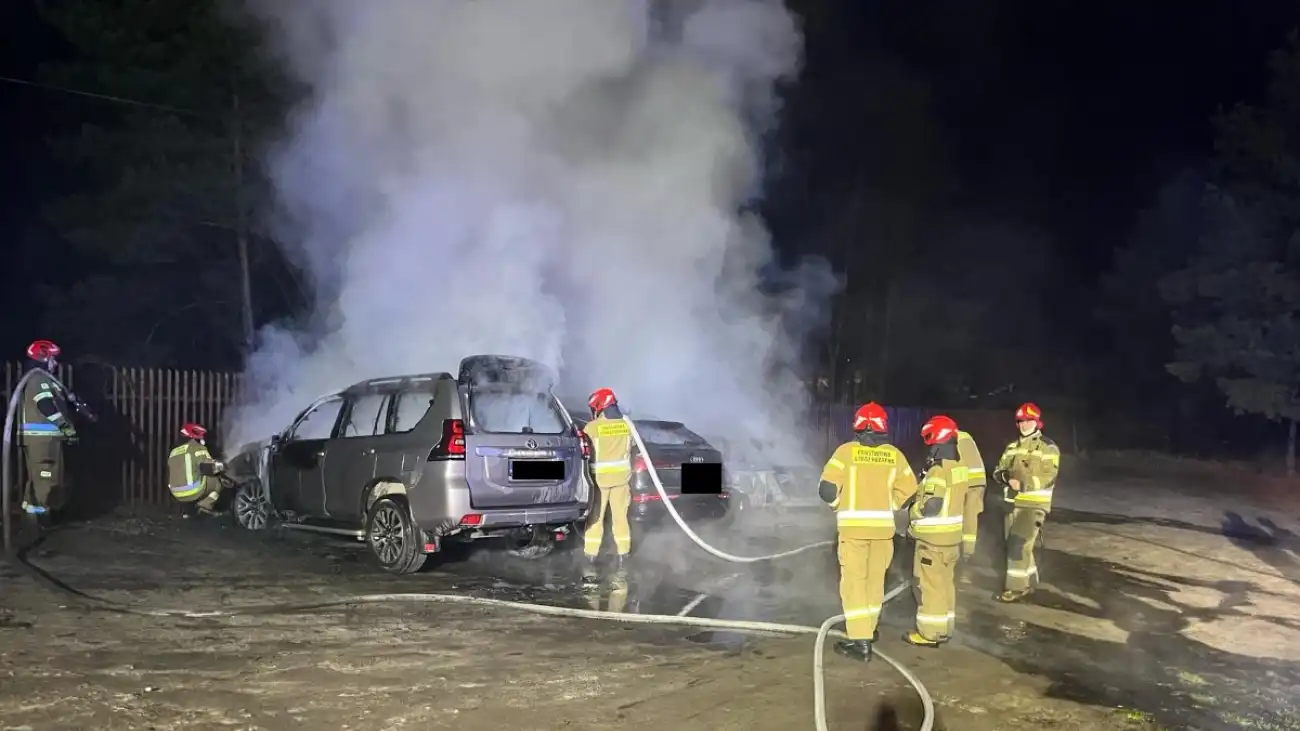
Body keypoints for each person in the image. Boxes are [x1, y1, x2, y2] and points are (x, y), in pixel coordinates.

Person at [818, 402, 918, 662]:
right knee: (875, 584)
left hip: (853, 531)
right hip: (883, 532)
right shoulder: (894, 455)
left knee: (854, 585)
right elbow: (909, 491)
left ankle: (859, 641)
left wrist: (839, 506)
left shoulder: (846, 452)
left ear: (858, 425)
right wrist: (890, 506)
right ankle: (869, 630)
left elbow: (826, 490)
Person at [902, 415, 967, 648]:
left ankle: (930, 633)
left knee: (930, 587)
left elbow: (932, 505)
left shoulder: (938, 472)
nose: (927, 446)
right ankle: (945, 629)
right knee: (946, 585)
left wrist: (914, 513)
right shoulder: (959, 469)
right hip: (952, 541)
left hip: (932, 541)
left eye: (928, 441)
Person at [992, 402, 1060, 603]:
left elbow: (1049, 476)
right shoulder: (1012, 447)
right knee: (1016, 545)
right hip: (1011, 504)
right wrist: (1005, 477)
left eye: (1028, 421)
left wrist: (1023, 484)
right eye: (1021, 421)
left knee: (1018, 545)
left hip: (1033, 505)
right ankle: (1029, 581)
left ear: (1037, 422)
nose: (1024, 425)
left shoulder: (1048, 447)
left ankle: (1015, 588)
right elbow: (998, 471)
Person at [17, 340, 77, 518]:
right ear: (43, 358)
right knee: (46, 477)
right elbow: (45, 404)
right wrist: (65, 427)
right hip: (43, 439)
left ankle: (33, 517)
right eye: (52, 358)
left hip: (43, 438)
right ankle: (45, 518)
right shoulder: (38, 378)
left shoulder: (43, 379)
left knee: (37, 477)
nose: (55, 363)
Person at [580, 387, 634, 586]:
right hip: (622, 481)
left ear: (598, 406)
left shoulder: (592, 427)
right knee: (621, 519)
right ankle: (623, 557)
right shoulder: (627, 426)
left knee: (596, 519)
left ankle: (590, 558)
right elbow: (634, 447)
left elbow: (583, 448)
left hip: (600, 482)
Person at [167, 423, 226, 516]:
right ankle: (205, 506)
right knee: (217, 481)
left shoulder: (173, 452)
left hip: (175, 492)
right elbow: (210, 468)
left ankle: (186, 511)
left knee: (191, 478)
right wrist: (221, 466)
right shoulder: (198, 448)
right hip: (192, 490)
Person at [954, 426, 987, 560]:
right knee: (969, 518)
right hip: (976, 483)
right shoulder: (963, 436)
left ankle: (966, 556)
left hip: (969, 483)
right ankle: (967, 553)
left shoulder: (953, 439)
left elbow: (951, 463)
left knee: (967, 519)